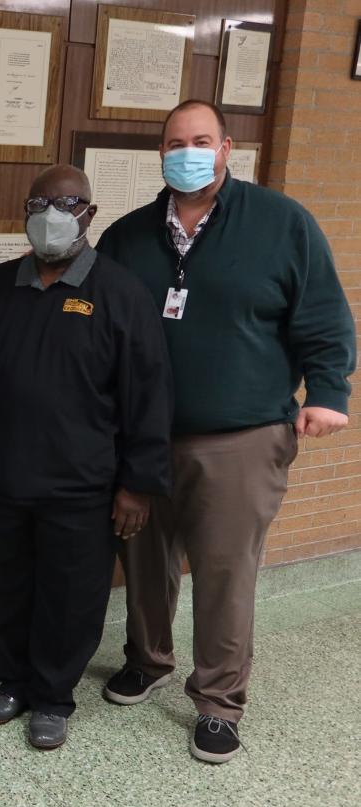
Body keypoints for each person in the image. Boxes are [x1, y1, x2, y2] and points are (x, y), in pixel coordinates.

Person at [96, 100, 356, 763]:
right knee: (145, 564)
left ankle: (217, 700)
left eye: (201, 140)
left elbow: (324, 317)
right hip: (146, 439)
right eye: (175, 142)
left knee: (224, 575)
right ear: (160, 154)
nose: (188, 151)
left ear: (226, 148)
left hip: (240, 440)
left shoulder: (281, 223)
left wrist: (328, 392)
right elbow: (100, 338)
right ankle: (149, 660)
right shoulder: (126, 238)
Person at [0, 165, 173, 750]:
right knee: (5, 586)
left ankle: (53, 697)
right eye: (39, 203)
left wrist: (138, 485)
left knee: (70, 594)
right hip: (1, 477)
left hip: (82, 486)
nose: (51, 215)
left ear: (89, 215)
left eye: (67, 202)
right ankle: (14, 683)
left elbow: (149, 396)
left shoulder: (121, 293)